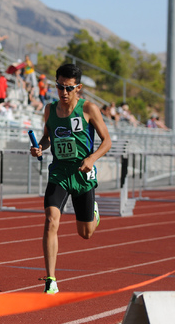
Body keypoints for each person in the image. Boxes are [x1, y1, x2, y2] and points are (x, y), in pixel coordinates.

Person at [30, 63, 111, 295]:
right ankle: (51, 279)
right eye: (59, 87)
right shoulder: (49, 109)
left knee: (85, 233)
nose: (63, 93)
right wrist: (39, 148)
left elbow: (107, 141)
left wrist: (92, 159)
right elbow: (47, 138)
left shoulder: (89, 109)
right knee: (51, 219)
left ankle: (93, 213)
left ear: (78, 88)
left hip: (82, 173)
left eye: (68, 88)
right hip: (59, 172)